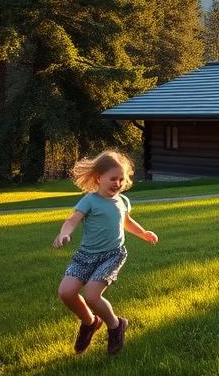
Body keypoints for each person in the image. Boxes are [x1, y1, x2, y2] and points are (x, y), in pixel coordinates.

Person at [53, 150, 158, 356]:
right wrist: (64, 234)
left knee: (92, 295)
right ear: (98, 178)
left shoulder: (122, 201)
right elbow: (72, 220)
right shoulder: (89, 201)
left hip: (112, 254)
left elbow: (126, 222)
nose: (117, 184)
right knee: (66, 292)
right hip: (85, 255)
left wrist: (143, 233)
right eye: (113, 179)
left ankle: (115, 324)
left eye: (121, 179)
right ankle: (90, 322)